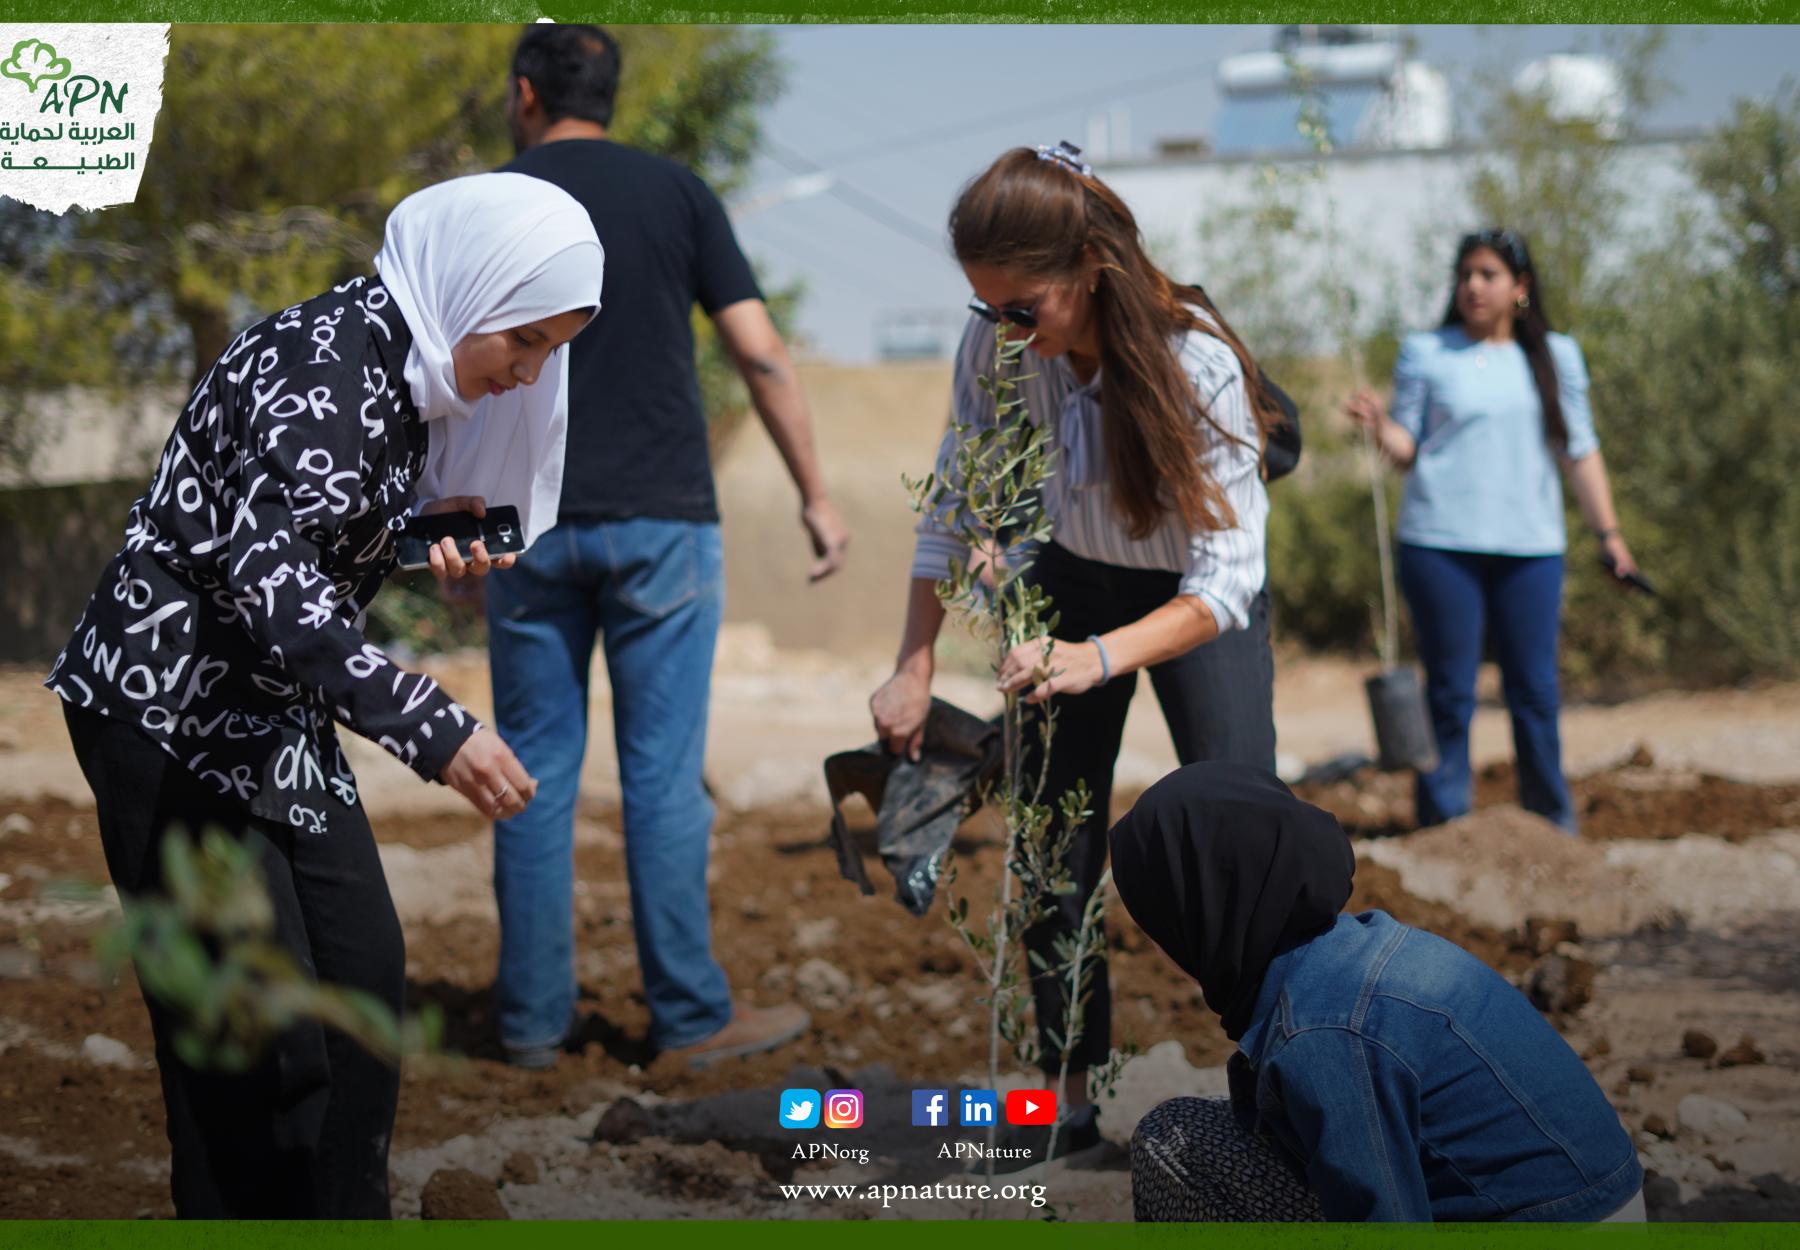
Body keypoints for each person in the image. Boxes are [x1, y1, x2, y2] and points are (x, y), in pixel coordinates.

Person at [45, 171, 603, 1217]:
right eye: (522, 342)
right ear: (471, 293)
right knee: (252, 1034)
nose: (528, 376)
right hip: (165, 705)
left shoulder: (396, 365)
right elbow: (285, 604)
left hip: (268, 711)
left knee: (357, 982)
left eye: (547, 354)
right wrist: (438, 730)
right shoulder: (325, 363)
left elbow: (304, 530)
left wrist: (414, 539)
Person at [868, 143, 1286, 1164]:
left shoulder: (1199, 364)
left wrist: (1094, 658)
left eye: (1024, 309)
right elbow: (955, 498)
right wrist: (913, 663)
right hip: (1069, 578)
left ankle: (1282, 1080)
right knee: (1052, 844)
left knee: (1240, 835)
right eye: (987, 309)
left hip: (1190, 602)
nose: (1006, 333)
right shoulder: (997, 343)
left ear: (1089, 267)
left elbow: (1222, 583)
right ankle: (1066, 1094)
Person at [483, 23, 848, 1071]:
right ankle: (688, 1016)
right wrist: (816, 493)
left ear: (524, 95)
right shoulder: (676, 192)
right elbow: (759, 354)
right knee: (661, 777)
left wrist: (454, 524)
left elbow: (448, 373)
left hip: (526, 527)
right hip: (662, 525)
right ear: (610, 92)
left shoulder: (496, 201)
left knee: (532, 773)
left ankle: (529, 1024)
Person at [1113, 762, 1646, 1222]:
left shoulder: (1322, 1031)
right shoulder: (1354, 951)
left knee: (1175, 1139)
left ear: (1201, 910)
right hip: (1591, 1206)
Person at [1346, 229, 1638, 833]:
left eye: (1488, 275)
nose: (1473, 286)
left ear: (1520, 287)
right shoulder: (1426, 351)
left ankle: (1551, 823)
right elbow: (1407, 446)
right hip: (1439, 545)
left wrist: (1609, 536)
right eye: (1466, 275)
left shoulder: (1557, 356)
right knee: (1450, 693)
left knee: (1534, 690)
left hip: (1530, 548)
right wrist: (1379, 426)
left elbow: (1579, 451)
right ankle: (1443, 826)